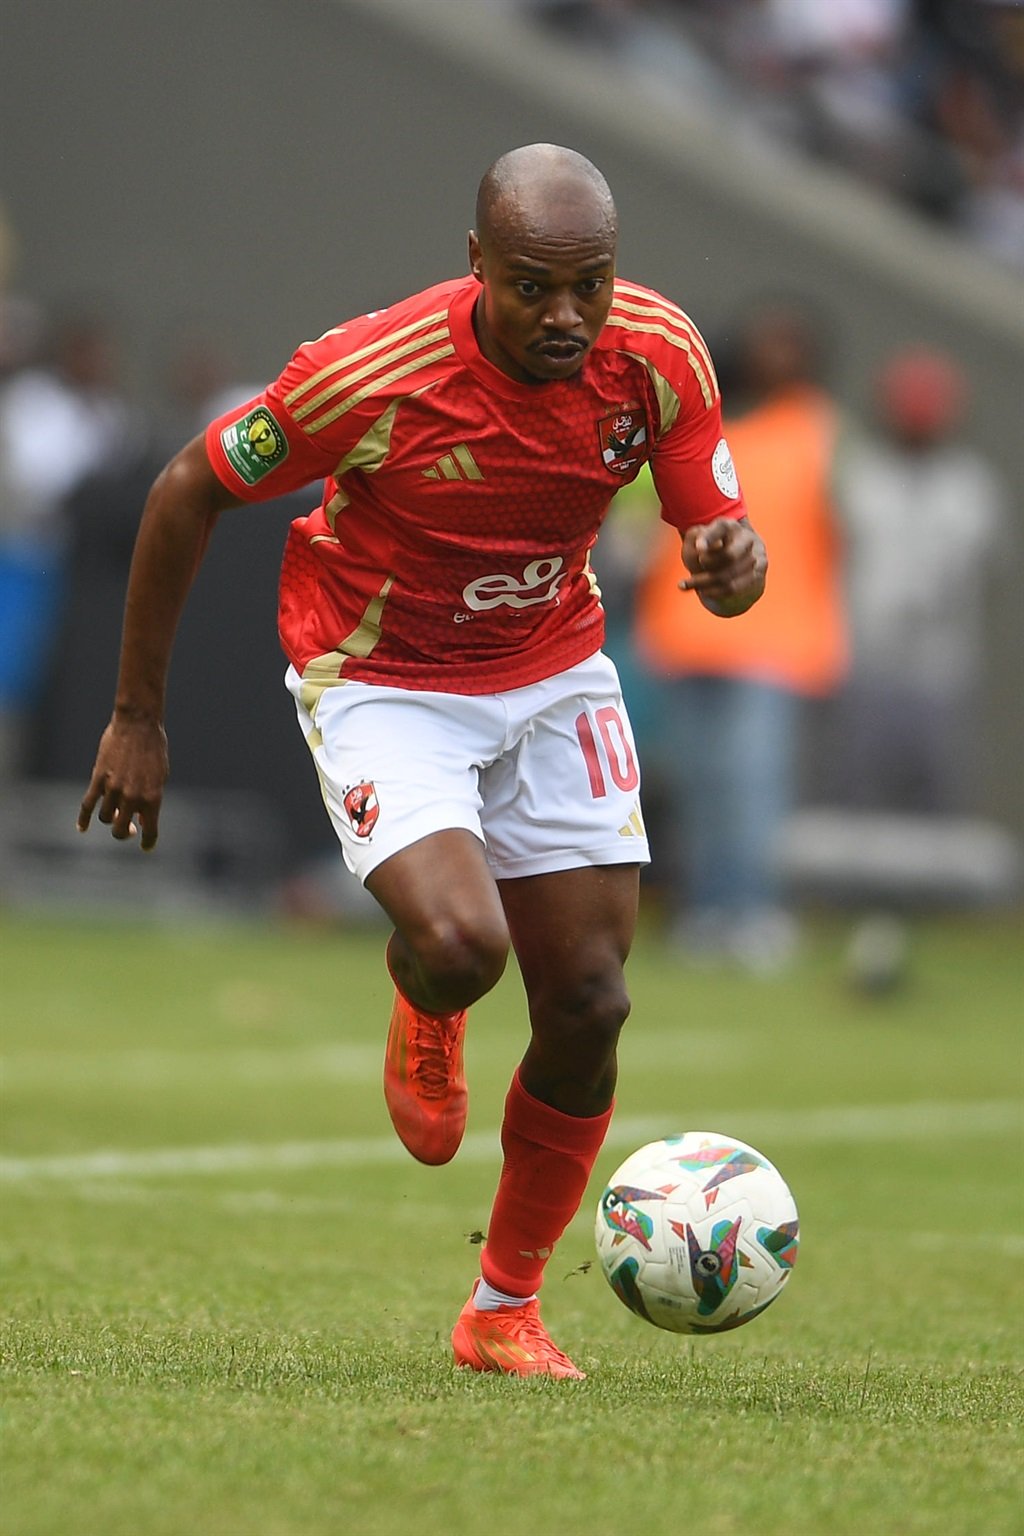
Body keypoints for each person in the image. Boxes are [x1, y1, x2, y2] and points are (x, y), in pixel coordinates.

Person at [78, 144, 766, 1379]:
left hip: (553, 665)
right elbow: (187, 489)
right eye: (532, 286)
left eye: (589, 284)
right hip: (386, 677)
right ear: (475, 267)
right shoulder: (371, 373)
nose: (566, 316)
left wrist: (731, 561)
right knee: (462, 947)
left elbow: (723, 543)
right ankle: (425, 992)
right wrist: (138, 713)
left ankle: (501, 1309)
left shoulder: (656, 353)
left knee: (591, 1001)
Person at [633, 301, 847, 970]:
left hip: (775, 638)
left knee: (752, 785)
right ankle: (706, 912)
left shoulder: (822, 430)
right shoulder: (702, 423)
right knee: (698, 787)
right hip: (686, 632)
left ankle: (753, 911)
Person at [831, 345, 1007, 814]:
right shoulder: (859, 475)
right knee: (857, 780)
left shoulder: (972, 486)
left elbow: (983, 572)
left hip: (941, 662)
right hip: (864, 655)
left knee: (939, 784)